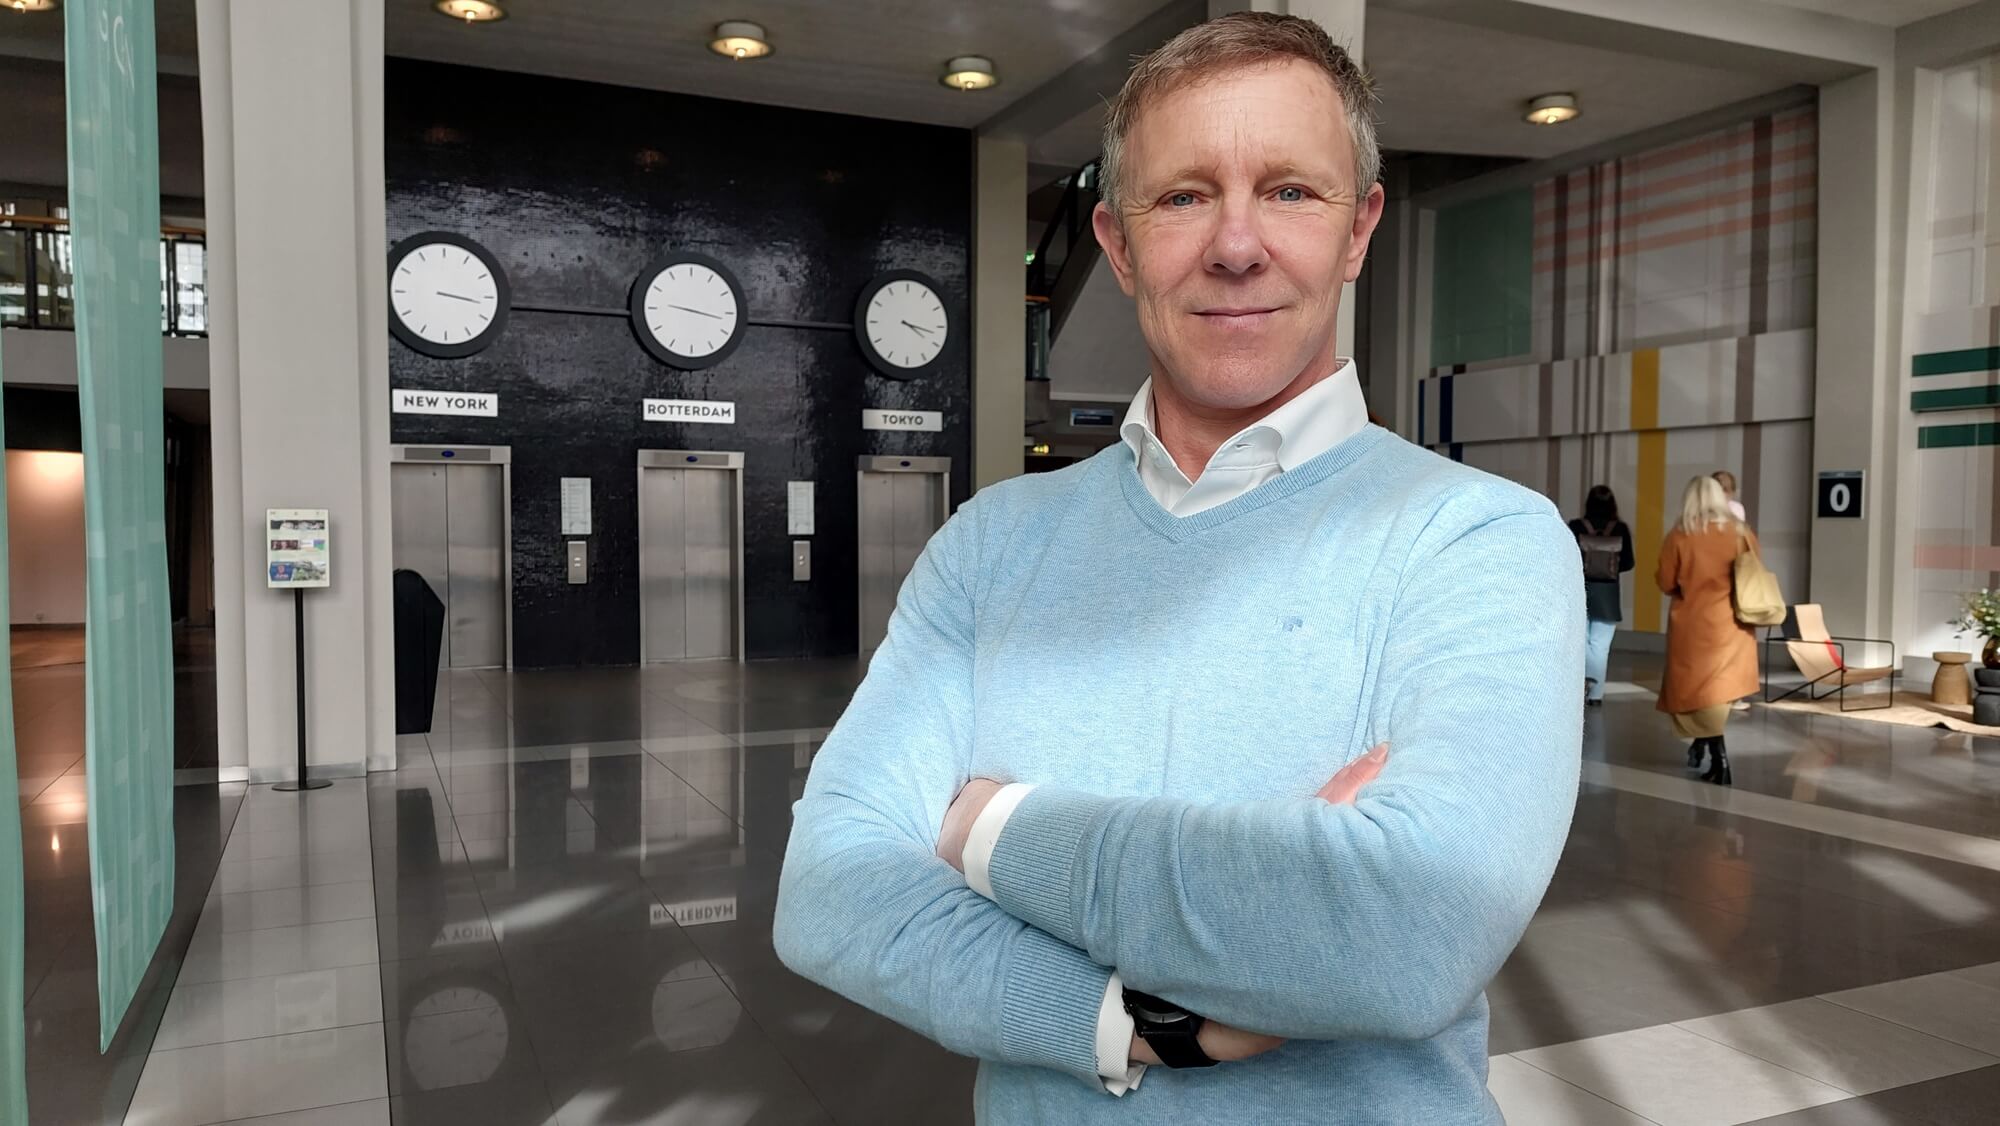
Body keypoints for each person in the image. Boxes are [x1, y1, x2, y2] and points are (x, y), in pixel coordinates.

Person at [774, 13, 1582, 1124]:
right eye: (1184, 195)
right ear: (1114, 241)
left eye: (1291, 191)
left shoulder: (1473, 538)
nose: (1236, 244)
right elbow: (829, 895)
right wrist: (1142, 1022)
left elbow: (1401, 931)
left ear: (1357, 231)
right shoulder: (990, 543)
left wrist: (989, 829)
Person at [1656, 475, 1759, 785]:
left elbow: (1665, 581)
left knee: (1697, 694)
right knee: (1718, 695)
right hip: (1734, 626)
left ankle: (1719, 759)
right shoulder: (1741, 533)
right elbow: (1754, 572)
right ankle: (1709, 750)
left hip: (1694, 626)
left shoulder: (1681, 536)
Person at [1569, 485, 1634, 707]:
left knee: (1580, 643)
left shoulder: (1576, 526)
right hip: (1608, 596)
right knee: (1600, 646)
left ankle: (1579, 691)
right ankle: (1596, 695)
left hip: (1580, 592)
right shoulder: (1621, 529)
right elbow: (1628, 563)